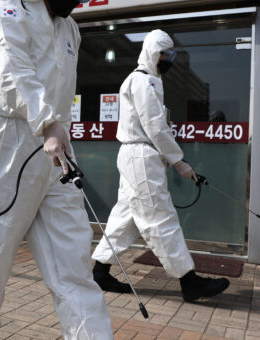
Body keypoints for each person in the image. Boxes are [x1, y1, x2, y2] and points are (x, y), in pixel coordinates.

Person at [0, 0, 114, 340]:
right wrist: (45, 123)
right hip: (9, 140)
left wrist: (57, 129)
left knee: (73, 256)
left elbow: (62, 88)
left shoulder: (69, 29)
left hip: (56, 147)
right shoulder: (6, 8)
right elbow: (11, 68)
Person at [90, 30, 230, 302]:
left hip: (136, 155)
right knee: (161, 217)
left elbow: (154, 126)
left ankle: (100, 272)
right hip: (141, 156)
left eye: (171, 55)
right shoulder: (144, 83)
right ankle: (189, 281)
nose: (169, 60)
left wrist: (171, 158)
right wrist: (178, 161)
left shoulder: (144, 80)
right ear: (153, 54)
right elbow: (155, 126)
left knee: (125, 216)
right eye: (165, 55)